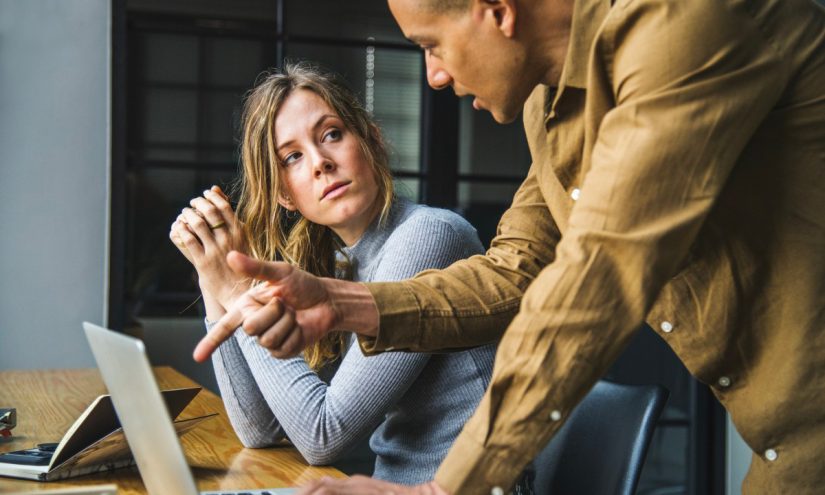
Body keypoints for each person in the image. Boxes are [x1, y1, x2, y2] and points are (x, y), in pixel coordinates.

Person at [195, 0, 825, 493]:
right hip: (785, 447)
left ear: (497, 10)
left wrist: (447, 488)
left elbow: (599, 276)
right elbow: (513, 272)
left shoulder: (683, 28)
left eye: (431, 45)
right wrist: (339, 301)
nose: (434, 76)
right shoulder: (549, 109)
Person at [170, 63, 528, 488]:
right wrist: (215, 281)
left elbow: (323, 435)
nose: (320, 162)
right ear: (285, 194)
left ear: (372, 140)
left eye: (332, 134)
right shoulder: (344, 263)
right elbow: (259, 430)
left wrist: (238, 290)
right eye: (293, 157)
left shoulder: (429, 235)